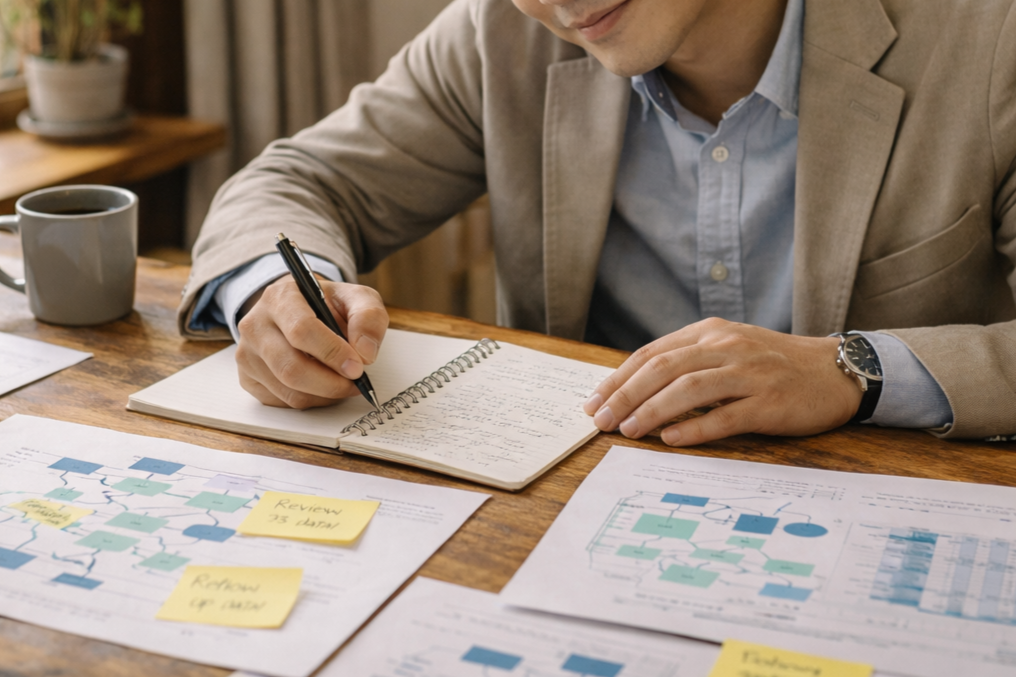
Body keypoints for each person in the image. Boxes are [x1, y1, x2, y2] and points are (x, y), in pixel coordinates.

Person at [179, 0, 1016, 444]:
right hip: (578, 513)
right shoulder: (498, 33)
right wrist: (280, 295)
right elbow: (300, 179)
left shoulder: (989, 38)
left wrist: (848, 370)